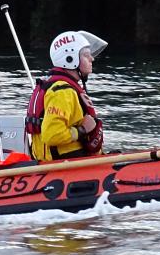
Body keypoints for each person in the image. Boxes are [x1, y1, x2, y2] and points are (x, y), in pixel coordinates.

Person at [26, 30, 108, 161]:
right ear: (70, 59)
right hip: (64, 163)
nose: (92, 59)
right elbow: (51, 135)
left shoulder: (60, 87)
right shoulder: (62, 92)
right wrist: (82, 130)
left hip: (70, 161)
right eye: (86, 55)